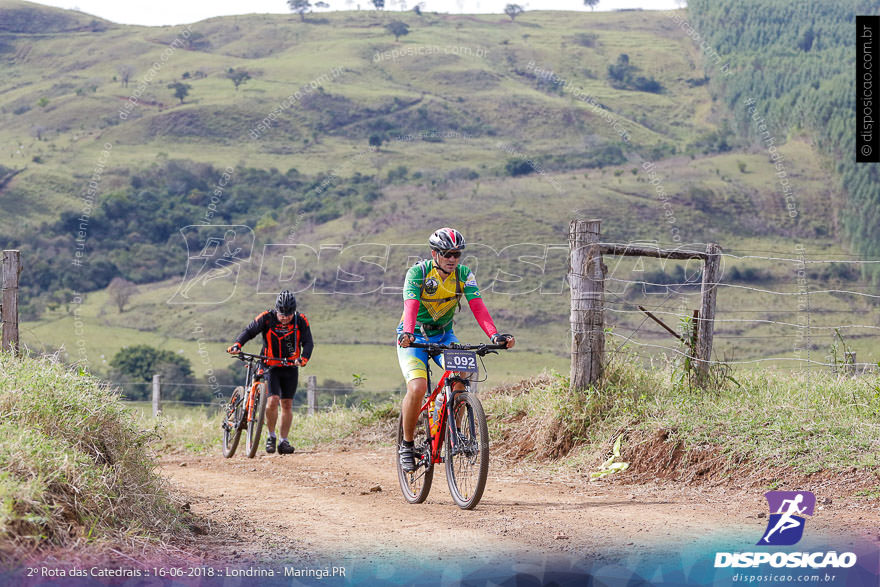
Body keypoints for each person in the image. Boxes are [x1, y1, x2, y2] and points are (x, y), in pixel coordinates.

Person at [396, 228, 514, 472]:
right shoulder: (418, 273)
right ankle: (406, 445)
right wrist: (407, 333)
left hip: (444, 334)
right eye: (447, 253)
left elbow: (478, 306)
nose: (452, 259)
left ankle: (455, 433)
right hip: (415, 335)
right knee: (417, 387)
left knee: (463, 372)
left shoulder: (464, 274)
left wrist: (495, 335)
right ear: (434, 253)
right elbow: (411, 306)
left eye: (456, 254)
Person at [227, 290, 314, 455]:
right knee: (273, 399)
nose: (285, 318)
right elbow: (249, 331)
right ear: (276, 310)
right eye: (282, 314)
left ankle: (283, 441)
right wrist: (238, 344)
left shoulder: (300, 320)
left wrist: (304, 358)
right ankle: (271, 436)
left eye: (289, 315)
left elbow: (308, 342)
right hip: (270, 365)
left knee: (287, 404)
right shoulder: (267, 317)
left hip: (290, 366)